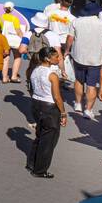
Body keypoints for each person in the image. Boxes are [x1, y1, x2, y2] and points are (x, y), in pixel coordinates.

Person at [26, 46, 67, 178]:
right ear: (48, 59)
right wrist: (63, 113)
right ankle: (40, 170)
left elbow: (31, 89)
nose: (58, 58)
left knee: (40, 135)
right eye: (55, 57)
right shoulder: (52, 75)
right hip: (49, 108)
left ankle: (32, 162)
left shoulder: (34, 70)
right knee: (48, 140)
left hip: (36, 104)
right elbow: (57, 97)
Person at [65, 1, 102, 117]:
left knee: (79, 81)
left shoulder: (76, 22)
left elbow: (70, 38)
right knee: (91, 85)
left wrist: (67, 51)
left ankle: (78, 104)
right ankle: (88, 110)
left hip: (79, 57)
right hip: (96, 59)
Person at [0, 1, 28, 83]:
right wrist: (24, 39)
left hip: (5, 40)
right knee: (17, 57)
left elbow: (0, 30)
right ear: (12, 9)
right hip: (14, 41)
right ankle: (14, 76)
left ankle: (4, 78)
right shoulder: (15, 19)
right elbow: (18, 31)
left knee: (5, 58)